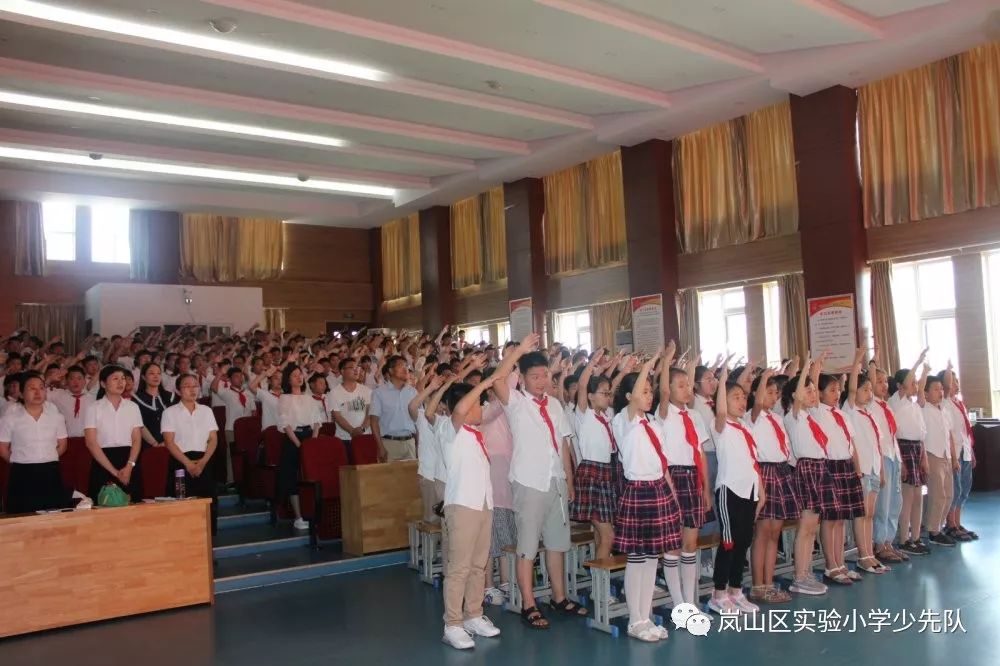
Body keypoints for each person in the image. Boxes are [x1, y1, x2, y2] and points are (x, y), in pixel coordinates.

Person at [493, 333, 586, 630]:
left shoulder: (556, 406)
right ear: (521, 378)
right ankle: (529, 603)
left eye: (545, 375)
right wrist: (518, 350)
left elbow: (563, 447)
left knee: (557, 544)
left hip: (555, 480)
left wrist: (569, 482)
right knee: (528, 547)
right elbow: (497, 378)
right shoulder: (516, 402)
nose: (542, 381)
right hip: (529, 482)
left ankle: (560, 597)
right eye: (535, 376)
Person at [612, 350, 679, 641]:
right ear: (629, 396)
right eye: (643, 391)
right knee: (637, 558)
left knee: (652, 558)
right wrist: (650, 366)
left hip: (658, 490)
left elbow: (663, 462)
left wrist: (672, 494)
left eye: (651, 391)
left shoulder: (654, 423)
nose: (649, 395)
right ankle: (635, 620)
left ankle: (646, 615)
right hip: (638, 490)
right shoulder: (624, 421)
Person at [439, 376, 502, 650]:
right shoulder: (449, 428)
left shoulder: (476, 434)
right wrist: (484, 382)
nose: (482, 407)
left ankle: (473, 614)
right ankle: (452, 624)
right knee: (459, 568)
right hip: (463, 505)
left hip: (483, 503)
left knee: (479, 565)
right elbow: (461, 410)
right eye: (478, 403)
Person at [653, 344, 711, 608]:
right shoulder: (663, 413)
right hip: (672, 477)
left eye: (689, 385)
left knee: (691, 542)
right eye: (681, 385)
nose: (687, 389)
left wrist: (706, 489)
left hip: (693, 477)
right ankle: (679, 603)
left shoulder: (696, 416)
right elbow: (664, 391)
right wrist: (666, 362)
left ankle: (691, 600)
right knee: (673, 544)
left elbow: (700, 453)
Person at [709, 366, 765, 614]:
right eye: (736, 397)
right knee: (729, 543)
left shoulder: (746, 428)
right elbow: (721, 408)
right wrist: (722, 382)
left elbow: (753, 462)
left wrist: (760, 491)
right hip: (729, 491)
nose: (742, 402)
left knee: (743, 543)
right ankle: (718, 594)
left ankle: (735, 590)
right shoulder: (720, 426)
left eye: (744, 397)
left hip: (749, 491)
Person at [747, 368, 800, 603]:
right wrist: (765, 377)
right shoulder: (752, 416)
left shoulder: (777, 418)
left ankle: (769, 583)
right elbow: (758, 401)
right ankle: (758, 585)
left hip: (780, 471)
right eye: (768, 392)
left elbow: (786, 447)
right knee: (762, 532)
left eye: (775, 393)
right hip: (764, 471)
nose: (773, 397)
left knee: (775, 532)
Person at [812, 365, 864, 585]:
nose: (837, 393)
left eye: (837, 389)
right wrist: (816, 367)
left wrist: (857, 466)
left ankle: (841, 562)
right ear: (820, 393)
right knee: (830, 519)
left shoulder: (841, 414)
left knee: (841, 519)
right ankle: (830, 565)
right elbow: (813, 384)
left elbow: (851, 443)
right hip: (829, 467)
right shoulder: (816, 411)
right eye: (831, 390)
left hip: (845, 466)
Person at [783, 356, 830, 596]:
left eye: (814, 390)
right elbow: (800, 396)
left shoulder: (812, 417)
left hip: (819, 467)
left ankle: (807, 571)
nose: (813, 394)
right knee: (806, 525)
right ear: (795, 396)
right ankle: (799, 576)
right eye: (808, 390)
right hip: (806, 469)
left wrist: (816, 371)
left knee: (813, 526)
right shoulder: (794, 416)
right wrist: (805, 371)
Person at [569, 350, 619, 562]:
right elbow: (582, 384)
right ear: (590, 396)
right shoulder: (584, 414)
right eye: (603, 393)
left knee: (601, 534)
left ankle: (599, 585)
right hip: (591, 473)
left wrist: (621, 370)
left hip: (606, 472)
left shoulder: (607, 415)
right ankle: (603, 589)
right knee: (608, 535)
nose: (608, 396)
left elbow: (613, 386)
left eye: (609, 394)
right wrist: (592, 364)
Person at [842, 353, 890, 574]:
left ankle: (870, 552)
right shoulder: (850, 410)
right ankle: (863, 555)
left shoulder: (869, 413)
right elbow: (851, 389)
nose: (869, 393)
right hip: (860, 471)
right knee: (862, 514)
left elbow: (877, 445)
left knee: (870, 513)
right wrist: (856, 363)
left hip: (873, 468)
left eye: (871, 389)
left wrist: (880, 470)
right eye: (865, 389)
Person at [0, 371, 74, 513]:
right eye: (31, 388)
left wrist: (46, 456)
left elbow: (62, 445)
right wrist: (22, 459)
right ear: (21, 393)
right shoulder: (10, 419)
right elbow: (2, 449)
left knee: (52, 516)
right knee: (22, 517)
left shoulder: (56, 417)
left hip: (50, 471)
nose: (38, 392)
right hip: (22, 473)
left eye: (41, 387)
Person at [162, 373, 220, 535]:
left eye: (195, 386)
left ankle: (207, 549)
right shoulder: (170, 412)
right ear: (179, 390)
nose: (192, 389)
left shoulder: (206, 411)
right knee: (182, 507)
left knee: (208, 506)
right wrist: (188, 464)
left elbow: (213, 440)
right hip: (180, 463)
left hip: (204, 461)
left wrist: (202, 462)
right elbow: (169, 442)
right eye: (187, 386)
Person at [869, 349, 907, 564]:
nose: (884, 385)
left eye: (886, 382)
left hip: (894, 456)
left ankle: (889, 541)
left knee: (895, 502)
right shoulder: (871, 404)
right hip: (882, 457)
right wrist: (873, 361)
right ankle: (879, 543)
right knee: (882, 504)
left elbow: (893, 435)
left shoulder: (886, 405)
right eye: (879, 381)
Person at [84, 365, 143, 502]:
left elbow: (137, 440)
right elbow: (91, 443)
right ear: (103, 383)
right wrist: (114, 472)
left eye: (123, 379)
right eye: (115, 379)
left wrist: (129, 467)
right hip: (103, 461)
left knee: (133, 506)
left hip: (129, 460)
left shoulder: (133, 407)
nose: (121, 382)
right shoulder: (94, 408)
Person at [891, 350, 930, 555]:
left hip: (916, 448)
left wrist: (923, 456)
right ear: (899, 386)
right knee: (907, 496)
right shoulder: (896, 401)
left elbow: (921, 434)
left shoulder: (915, 406)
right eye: (911, 383)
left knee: (917, 495)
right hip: (903, 447)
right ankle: (904, 539)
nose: (914, 386)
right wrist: (917, 361)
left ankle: (916, 537)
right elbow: (907, 383)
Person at [278, 365, 322, 531]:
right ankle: (298, 516)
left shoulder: (309, 398)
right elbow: (286, 424)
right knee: (293, 477)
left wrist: (313, 441)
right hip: (293, 439)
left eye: (300, 374)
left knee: (312, 476)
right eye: (295, 375)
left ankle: (314, 512)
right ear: (288, 379)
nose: (299, 377)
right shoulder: (284, 398)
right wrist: (298, 444)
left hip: (310, 437)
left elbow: (317, 421)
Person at [920, 370, 958, 547]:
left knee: (949, 494)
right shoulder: (923, 409)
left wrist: (954, 458)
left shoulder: (944, 410)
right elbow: (920, 436)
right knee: (937, 494)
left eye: (941, 388)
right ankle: (933, 531)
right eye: (935, 389)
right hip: (932, 454)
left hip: (946, 456)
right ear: (926, 393)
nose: (940, 392)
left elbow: (949, 435)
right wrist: (924, 371)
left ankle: (939, 525)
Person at [942, 366, 978, 542]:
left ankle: (958, 521)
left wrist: (971, 452)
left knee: (964, 488)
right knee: (955, 489)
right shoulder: (946, 403)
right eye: (953, 381)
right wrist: (948, 369)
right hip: (954, 451)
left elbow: (966, 431)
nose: (956, 384)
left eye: (957, 380)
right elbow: (949, 432)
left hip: (965, 450)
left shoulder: (959, 403)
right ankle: (951, 524)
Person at [370, 355, 418, 462]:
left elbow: (417, 421)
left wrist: (418, 444)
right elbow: (374, 422)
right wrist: (380, 447)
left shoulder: (413, 392)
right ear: (391, 371)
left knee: (410, 478)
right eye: (401, 366)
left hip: (410, 442)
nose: (405, 369)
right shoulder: (379, 393)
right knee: (388, 478)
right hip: (389, 443)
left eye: (407, 365)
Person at [132, 362, 178, 448]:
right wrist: (155, 444)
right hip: (148, 446)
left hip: (172, 445)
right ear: (143, 377)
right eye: (151, 373)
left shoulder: (170, 396)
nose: (156, 376)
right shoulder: (136, 399)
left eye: (158, 373)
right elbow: (139, 425)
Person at [330, 358, 372, 441]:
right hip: (344, 438)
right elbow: (337, 416)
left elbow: (369, 413)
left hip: (365, 436)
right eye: (352, 368)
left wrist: (362, 429)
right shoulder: (334, 392)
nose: (356, 370)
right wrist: (352, 431)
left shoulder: (367, 390)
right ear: (342, 371)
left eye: (358, 368)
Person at [48, 365, 94, 438]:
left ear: (84, 381)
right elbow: (42, 393)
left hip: (87, 440)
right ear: (66, 381)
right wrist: (50, 379)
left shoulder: (92, 399)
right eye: (72, 378)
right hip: (65, 440)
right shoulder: (58, 395)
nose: (75, 382)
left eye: (79, 378)